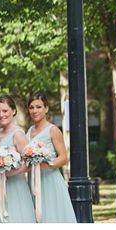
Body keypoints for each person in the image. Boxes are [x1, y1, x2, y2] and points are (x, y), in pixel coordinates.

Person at [26, 92, 76, 223]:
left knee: (51, 216)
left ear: (46, 108)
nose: (34, 111)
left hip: (50, 180)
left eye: (38, 107)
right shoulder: (29, 131)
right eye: (31, 107)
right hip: (32, 180)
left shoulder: (53, 130)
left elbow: (64, 158)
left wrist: (46, 166)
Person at [0, 95, 35, 223]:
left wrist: (11, 172)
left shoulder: (18, 134)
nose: (1, 115)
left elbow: (29, 163)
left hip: (15, 186)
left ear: (13, 111)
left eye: (5, 111)